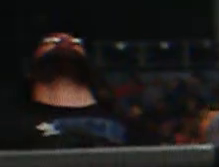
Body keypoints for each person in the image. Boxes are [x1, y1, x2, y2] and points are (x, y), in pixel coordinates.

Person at [0, 33, 128, 149]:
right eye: (51, 41)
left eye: (76, 42)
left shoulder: (122, 121)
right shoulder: (9, 124)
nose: (64, 41)